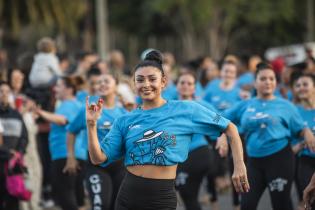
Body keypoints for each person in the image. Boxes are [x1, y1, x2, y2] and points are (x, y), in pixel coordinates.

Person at [86, 50, 249, 210]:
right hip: (128, 196)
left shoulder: (186, 110)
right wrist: (91, 125)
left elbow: (230, 128)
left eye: (152, 79)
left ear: (163, 82)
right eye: (140, 80)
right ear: (134, 84)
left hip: (162, 197)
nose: (146, 84)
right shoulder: (124, 119)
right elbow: (97, 158)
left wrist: (239, 165)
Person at [224, 62, 315, 210]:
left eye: (271, 79)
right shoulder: (245, 104)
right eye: (263, 79)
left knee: (281, 205)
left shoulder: (286, 106)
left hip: (280, 159)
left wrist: (307, 133)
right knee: (247, 205)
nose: (268, 82)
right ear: (255, 82)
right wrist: (221, 137)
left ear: (276, 82)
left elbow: (300, 128)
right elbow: (222, 119)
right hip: (253, 161)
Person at [66, 73, 127, 210]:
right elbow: (71, 131)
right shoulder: (89, 110)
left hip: (120, 166)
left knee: (118, 206)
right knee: (101, 205)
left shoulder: (124, 113)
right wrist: (71, 157)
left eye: (106, 81)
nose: (102, 84)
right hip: (96, 166)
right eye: (99, 82)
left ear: (116, 86)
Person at [175, 71, 228, 210]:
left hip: (198, 153)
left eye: (189, 83)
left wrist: (222, 136)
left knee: (188, 195)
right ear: (177, 86)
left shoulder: (202, 105)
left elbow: (220, 121)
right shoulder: (171, 106)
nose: (186, 86)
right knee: (187, 196)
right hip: (179, 156)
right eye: (182, 83)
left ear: (194, 88)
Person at [35, 76, 86, 210]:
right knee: (75, 197)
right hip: (74, 154)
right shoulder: (72, 104)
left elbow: (63, 120)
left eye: (59, 86)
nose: (55, 89)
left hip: (66, 155)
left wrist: (39, 111)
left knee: (65, 196)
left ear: (69, 89)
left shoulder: (70, 104)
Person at [0, 81, 28, 210]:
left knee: (13, 201)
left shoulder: (16, 115)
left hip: (13, 165)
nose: (4, 95)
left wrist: (19, 153)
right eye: (1, 91)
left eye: (7, 92)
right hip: (2, 161)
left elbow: (24, 137)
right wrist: (7, 152)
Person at [291, 73, 315, 210]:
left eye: (305, 84)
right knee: (311, 200)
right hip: (305, 161)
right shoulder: (294, 113)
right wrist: (303, 143)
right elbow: (290, 149)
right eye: (298, 85)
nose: (301, 88)